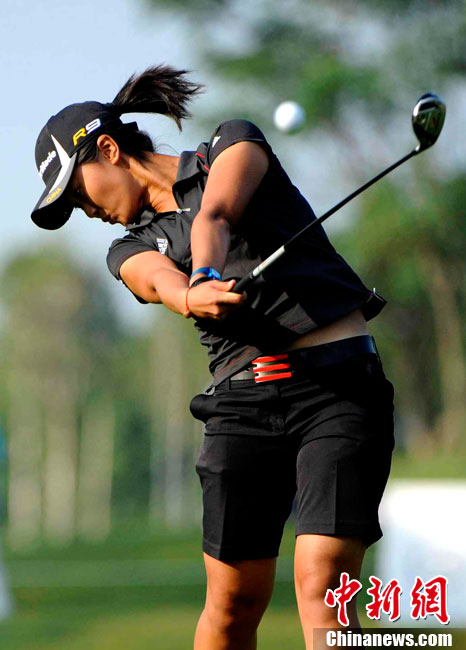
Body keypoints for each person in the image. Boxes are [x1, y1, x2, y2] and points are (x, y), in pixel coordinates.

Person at [31, 65, 395, 650]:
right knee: (232, 604)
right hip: (242, 406)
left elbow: (215, 215)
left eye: (78, 192)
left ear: (109, 150)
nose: (85, 211)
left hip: (339, 390)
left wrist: (203, 270)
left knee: (323, 582)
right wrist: (188, 295)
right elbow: (155, 279)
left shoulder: (231, 144)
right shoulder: (127, 247)